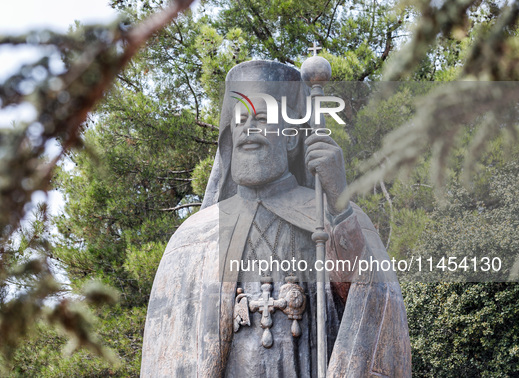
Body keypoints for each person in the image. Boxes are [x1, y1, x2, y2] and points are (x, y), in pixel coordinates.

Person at [141, 60, 411, 377]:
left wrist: (339, 203)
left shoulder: (333, 215)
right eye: (241, 119)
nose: (249, 130)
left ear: (292, 138)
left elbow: (373, 307)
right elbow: (173, 353)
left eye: (263, 118)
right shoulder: (194, 237)